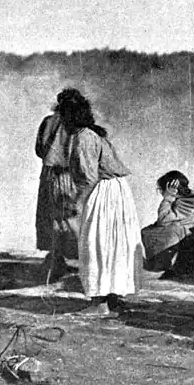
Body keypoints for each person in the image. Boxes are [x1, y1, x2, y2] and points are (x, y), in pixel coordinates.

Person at [65, 94, 144, 317]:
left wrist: (78, 203)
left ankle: (101, 302)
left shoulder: (84, 137)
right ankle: (113, 299)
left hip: (104, 193)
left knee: (97, 244)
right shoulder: (95, 134)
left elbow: (89, 177)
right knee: (113, 245)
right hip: (117, 191)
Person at [34, 88, 81, 275]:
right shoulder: (76, 123)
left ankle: (56, 257)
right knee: (68, 215)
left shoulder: (47, 122)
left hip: (49, 175)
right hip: (68, 175)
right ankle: (60, 260)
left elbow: (39, 150)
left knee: (51, 214)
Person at [141, 170, 194, 279]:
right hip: (185, 239)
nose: (160, 192)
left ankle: (159, 264)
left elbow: (164, 220)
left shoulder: (189, 201)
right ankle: (158, 262)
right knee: (149, 231)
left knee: (154, 232)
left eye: (161, 189)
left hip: (190, 243)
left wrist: (168, 198)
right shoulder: (187, 198)